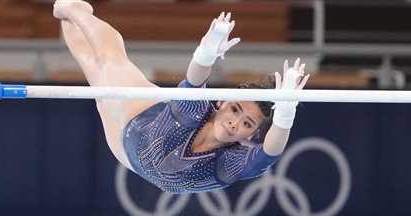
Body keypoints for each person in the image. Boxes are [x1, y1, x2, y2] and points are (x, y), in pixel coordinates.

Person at [53, 0, 309, 194]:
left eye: (247, 124)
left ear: (250, 136)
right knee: (109, 59)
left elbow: (270, 152)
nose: (235, 123)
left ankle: (67, 17)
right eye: (235, 110)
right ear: (221, 102)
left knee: (93, 72)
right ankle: (75, 10)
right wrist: (206, 52)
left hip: (126, 153)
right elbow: (196, 79)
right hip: (137, 116)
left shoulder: (229, 162)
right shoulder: (194, 112)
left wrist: (286, 111)